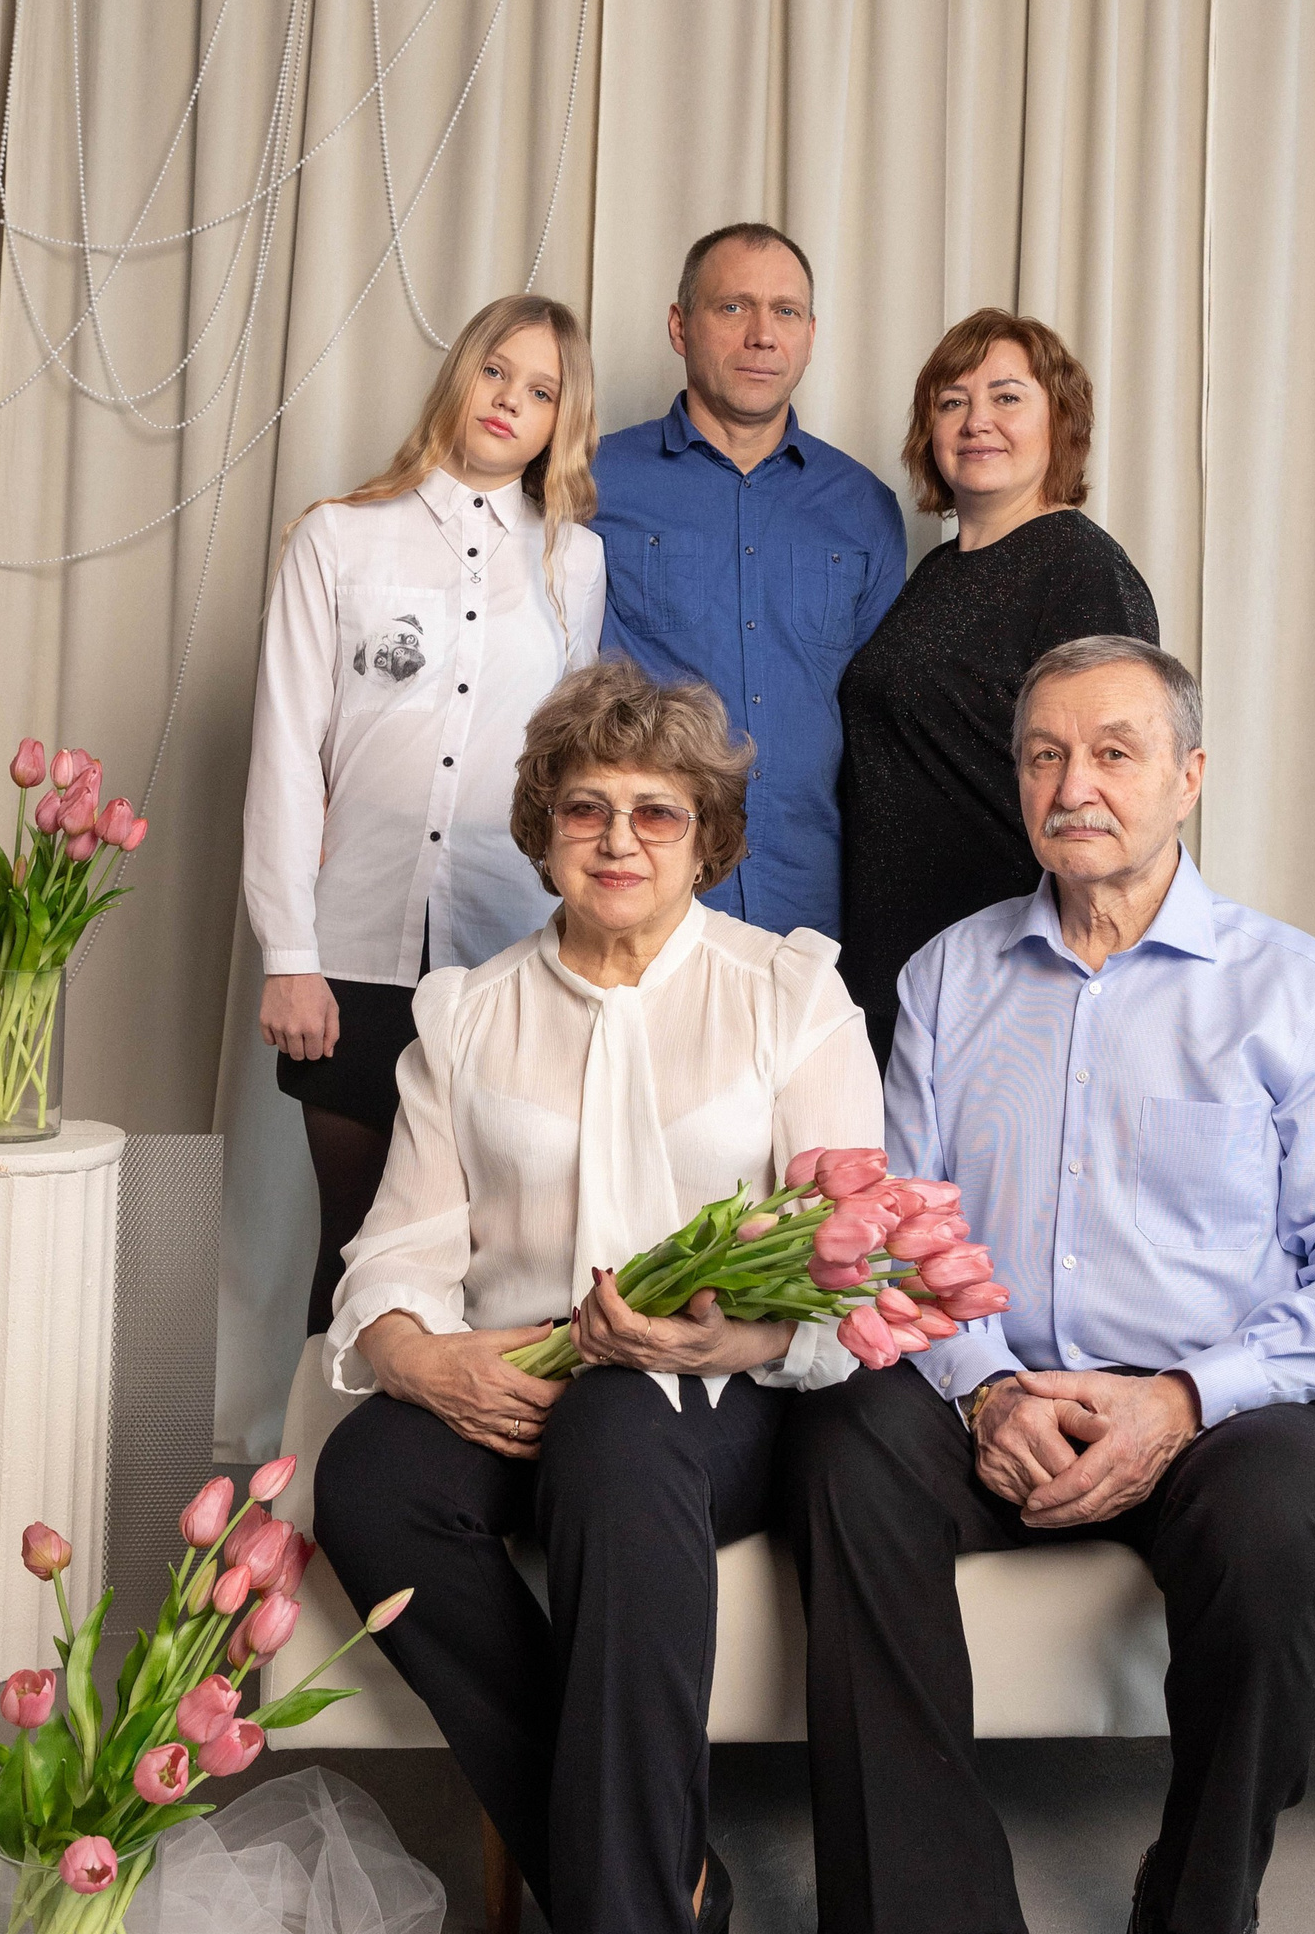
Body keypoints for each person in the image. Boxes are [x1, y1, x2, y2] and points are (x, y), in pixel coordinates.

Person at [779, 634, 1315, 1934]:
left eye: (1116, 752)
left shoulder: (1302, 992)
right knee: (844, 1438)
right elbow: (893, 1242)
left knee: (1288, 1513)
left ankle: (1198, 1932)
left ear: (1188, 778)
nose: (1075, 786)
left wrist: (1181, 1403)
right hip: (997, 1387)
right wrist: (989, 1388)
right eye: (1044, 756)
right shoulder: (948, 978)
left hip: (1221, 1404)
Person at [311, 658, 883, 1934]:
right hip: (522, 1381)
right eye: (587, 809)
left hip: (726, 1401)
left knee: (628, 1428)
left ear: (708, 837)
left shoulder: (791, 997)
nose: (620, 838)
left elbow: (851, 1263)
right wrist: (427, 1360)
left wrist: (723, 1331)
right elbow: (397, 1255)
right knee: (367, 1481)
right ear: (542, 830)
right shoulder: (468, 1016)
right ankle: (661, 1876)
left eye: (657, 813)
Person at [244, 296, 604, 1336]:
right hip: (353, 950)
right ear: (460, 375)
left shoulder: (573, 561)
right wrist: (290, 954)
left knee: (497, 1256)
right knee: (357, 1246)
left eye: (542, 391)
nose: (510, 401)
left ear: (560, 422)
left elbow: (568, 768)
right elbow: (284, 752)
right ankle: (316, 1445)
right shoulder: (339, 538)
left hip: (508, 955)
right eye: (496, 371)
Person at [840, 311, 1159, 1069]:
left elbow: (1114, 790)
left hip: (1011, 967)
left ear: (1060, 421)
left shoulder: (1082, 573)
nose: (976, 420)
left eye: (1007, 397)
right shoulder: (936, 571)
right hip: (901, 951)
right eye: (952, 402)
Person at [592, 222, 907, 943]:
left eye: (785, 312)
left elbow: (880, 727)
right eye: (733, 307)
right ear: (680, 326)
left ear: (810, 335)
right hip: (642, 902)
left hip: (813, 910)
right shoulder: (592, 483)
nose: (763, 335)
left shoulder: (864, 508)